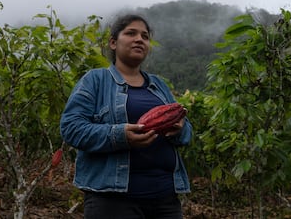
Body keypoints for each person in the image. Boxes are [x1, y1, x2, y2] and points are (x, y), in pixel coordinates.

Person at [60, 14, 192, 219]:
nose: (139, 39)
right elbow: (71, 127)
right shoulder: (96, 80)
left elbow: (186, 130)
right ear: (113, 43)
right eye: (131, 33)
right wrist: (120, 136)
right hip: (113, 199)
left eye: (145, 36)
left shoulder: (159, 85)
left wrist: (180, 129)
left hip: (166, 197)